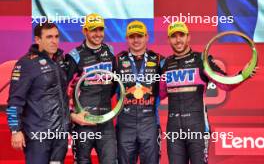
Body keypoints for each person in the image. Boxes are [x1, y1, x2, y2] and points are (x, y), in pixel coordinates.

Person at [160, 21, 256, 164]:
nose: (178, 40)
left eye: (182, 35)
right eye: (174, 36)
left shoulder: (202, 60)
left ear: (188, 37)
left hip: (197, 126)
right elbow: (159, 93)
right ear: (169, 39)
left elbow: (225, 83)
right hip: (173, 128)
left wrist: (243, 74)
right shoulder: (165, 64)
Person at [6, 22, 70, 164]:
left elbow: (62, 97)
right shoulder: (26, 64)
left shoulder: (59, 61)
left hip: (60, 136)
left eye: (56, 36)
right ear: (37, 40)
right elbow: (14, 101)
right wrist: (15, 130)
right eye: (49, 37)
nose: (54, 41)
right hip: (38, 136)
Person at [66, 13, 117, 164]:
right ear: (85, 31)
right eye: (93, 30)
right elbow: (61, 89)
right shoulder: (74, 56)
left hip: (106, 121)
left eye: (100, 29)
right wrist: (72, 115)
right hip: (84, 121)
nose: (98, 34)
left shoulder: (110, 51)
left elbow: (115, 83)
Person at [115, 20, 164, 164]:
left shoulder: (159, 60)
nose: (136, 40)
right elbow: (105, 89)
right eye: (132, 36)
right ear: (127, 39)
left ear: (146, 37)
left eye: (139, 36)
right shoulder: (117, 60)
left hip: (149, 122)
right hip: (125, 123)